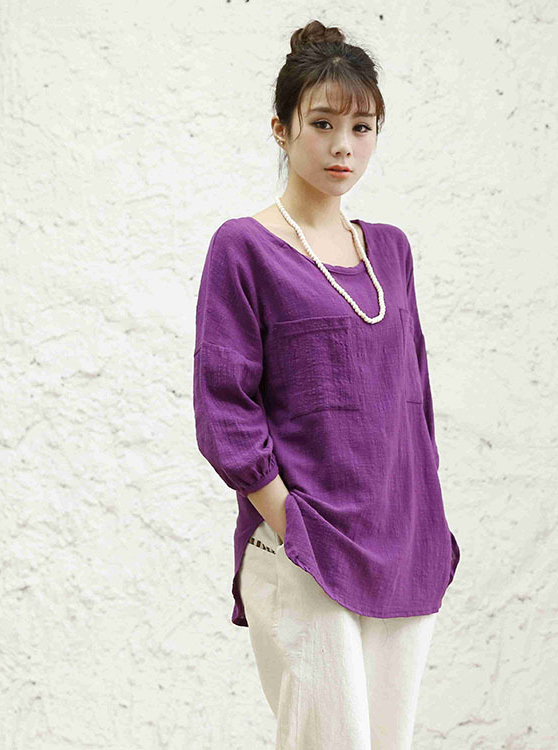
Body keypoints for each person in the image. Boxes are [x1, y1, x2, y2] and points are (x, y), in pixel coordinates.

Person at [192, 19, 460, 750]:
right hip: (306, 546)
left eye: (362, 127)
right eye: (322, 124)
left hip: (401, 543)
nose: (344, 145)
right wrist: (289, 523)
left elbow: (413, 400)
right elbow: (224, 408)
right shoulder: (244, 248)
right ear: (281, 129)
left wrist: (424, 520)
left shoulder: (390, 252)